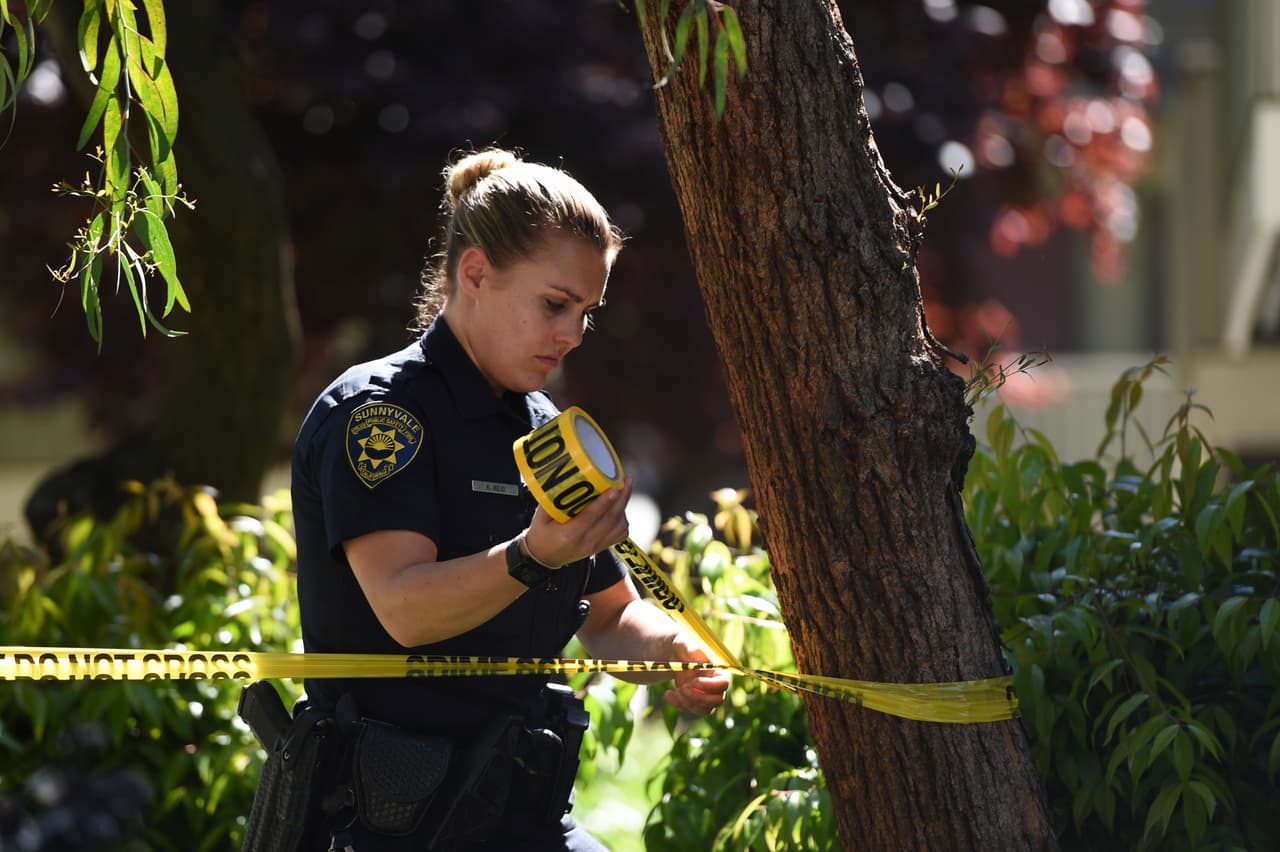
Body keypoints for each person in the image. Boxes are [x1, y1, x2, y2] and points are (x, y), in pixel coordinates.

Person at [284, 148, 730, 851]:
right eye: (555, 304)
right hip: (384, 825)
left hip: (522, 811)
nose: (572, 335)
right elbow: (404, 609)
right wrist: (530, 556)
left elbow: (613, 619)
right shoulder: (379, 413)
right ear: (475, 274)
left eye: (586, 313)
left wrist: (671, 645)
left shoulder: (546, 429)